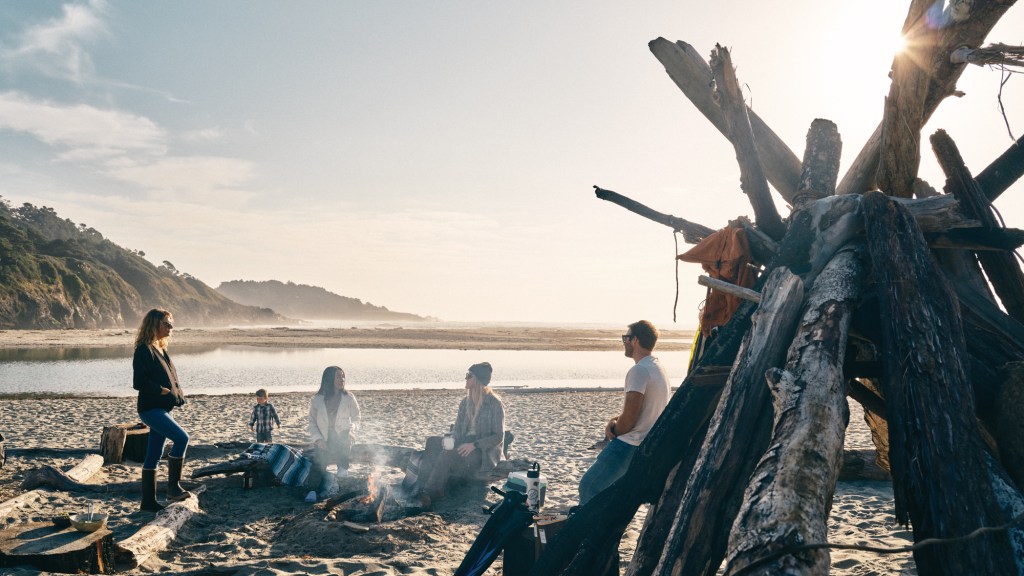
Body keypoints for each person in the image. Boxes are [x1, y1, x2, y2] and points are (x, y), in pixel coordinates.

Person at [578, 320, 670, 505]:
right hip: (646, 443)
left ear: (634, 340)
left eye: (625, 338)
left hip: (630, 444)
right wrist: (616, 420)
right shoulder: (657, 367)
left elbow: (629, 419)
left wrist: (613, 430)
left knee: (588, 486)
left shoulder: (639, 370)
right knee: (612, 494)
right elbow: (643, 409)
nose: (623, 342)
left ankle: (591, 531)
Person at [132, 308, 191, 512]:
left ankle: (148, 503)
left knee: (154, 455)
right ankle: (173, 488)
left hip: (164, 408)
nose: (170, 327)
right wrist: (163, 391)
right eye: (166, 323)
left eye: (171, 323)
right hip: (151, 408)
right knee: (182, 438)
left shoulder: (160, 349)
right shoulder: (144, 349)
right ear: (154, 325)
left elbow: (172, 378)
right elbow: (138, 382)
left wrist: (177, 395)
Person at [420, 362, 505, 501]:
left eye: (469, 375)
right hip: (464, 443)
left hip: (482, 451)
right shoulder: (465, 402)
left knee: (448, 453)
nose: (466, 378)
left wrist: (474, 445)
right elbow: (458, 429)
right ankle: (421, 485)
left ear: (478, 379)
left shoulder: (494, 403)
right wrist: (452, 437)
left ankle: (431, 493)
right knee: (432, 442)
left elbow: (498, 436)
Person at [308, 366, 360, 496]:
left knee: (344, 438)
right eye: (338, 377)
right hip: (323, 438)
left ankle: (343, 470)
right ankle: (314, 491)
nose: (342, 379)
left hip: (344, 436)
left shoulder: (349, 397)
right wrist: (318, 439)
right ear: (329, 379)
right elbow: (312, 423)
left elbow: (357, 417)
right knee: (319, 462)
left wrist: (353, 427)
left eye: (343, 376)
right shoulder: (317, 399)